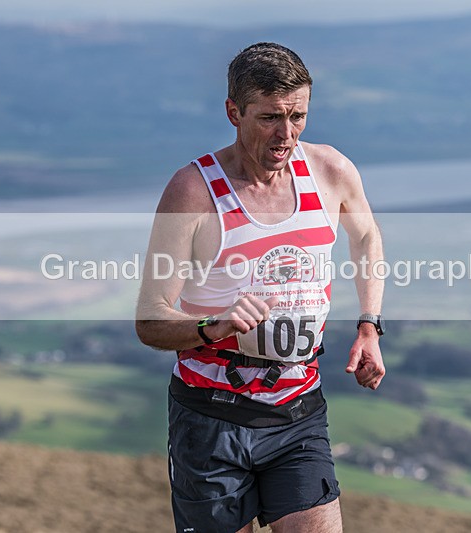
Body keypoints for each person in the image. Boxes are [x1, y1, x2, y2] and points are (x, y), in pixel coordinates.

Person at [135, 42, 385, 533]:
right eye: (271, 117)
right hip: (210, 419)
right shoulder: (192, 191)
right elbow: (150, 319)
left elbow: (367, 236)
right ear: (234, 111)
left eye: (298, 116)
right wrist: (215, 325)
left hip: (297, 412)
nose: (286, 134)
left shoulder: (330, 171)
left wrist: (369, 324)